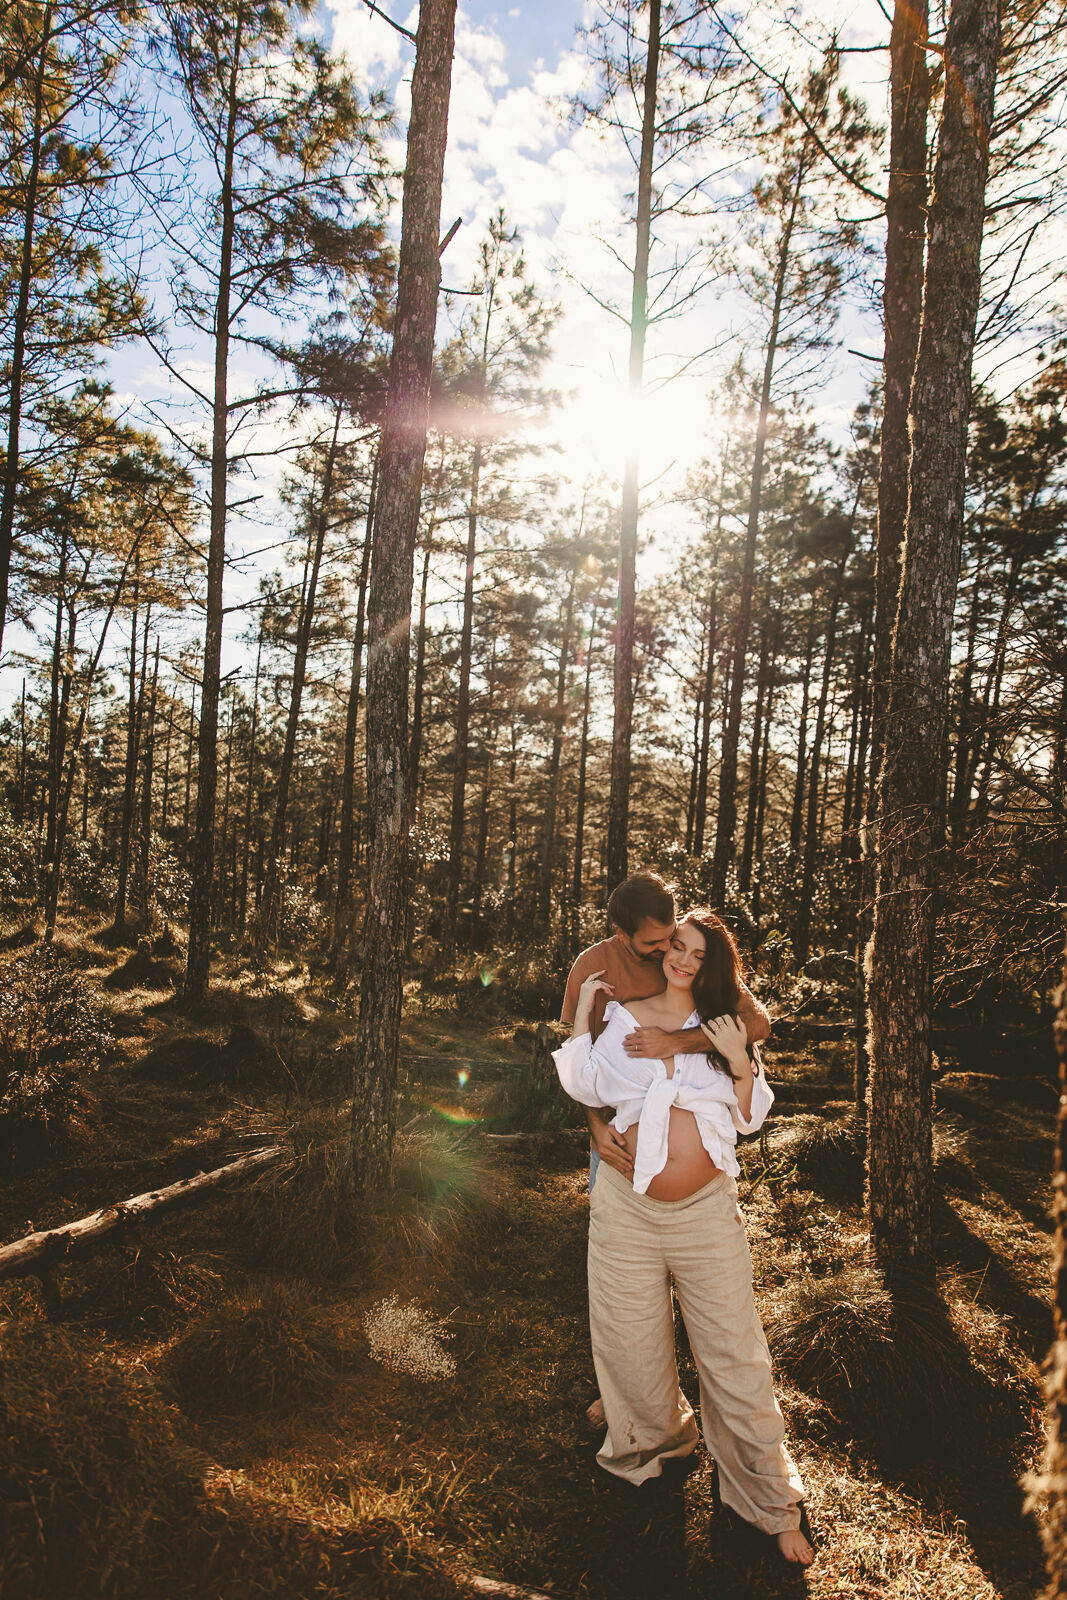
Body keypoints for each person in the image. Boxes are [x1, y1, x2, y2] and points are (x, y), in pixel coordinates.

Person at [553, 908, 813, 1567]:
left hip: (703, 1212)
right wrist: (586, 1007)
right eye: (678, 947)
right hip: (626, 1209)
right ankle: (652, 1443)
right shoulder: (625, 1017)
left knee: (733, 1352)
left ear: (713, 963)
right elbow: (584, 1082)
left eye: (699, 953)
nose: (684, 960)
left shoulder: (724, 1027)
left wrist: (735, 1061)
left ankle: (768, 1501)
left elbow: (751, 1118)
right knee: (629, 1337)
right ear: (663, 948)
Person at [560, 871, 771, 1188]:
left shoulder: (688, 951)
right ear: (622, 934)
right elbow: (582, 1061)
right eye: (653, 942)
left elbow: (757, 1022)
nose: (666, 948)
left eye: (669, 936)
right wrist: (597, 1128)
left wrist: (677, 1042)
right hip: (616, 1142)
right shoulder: (592, 966)